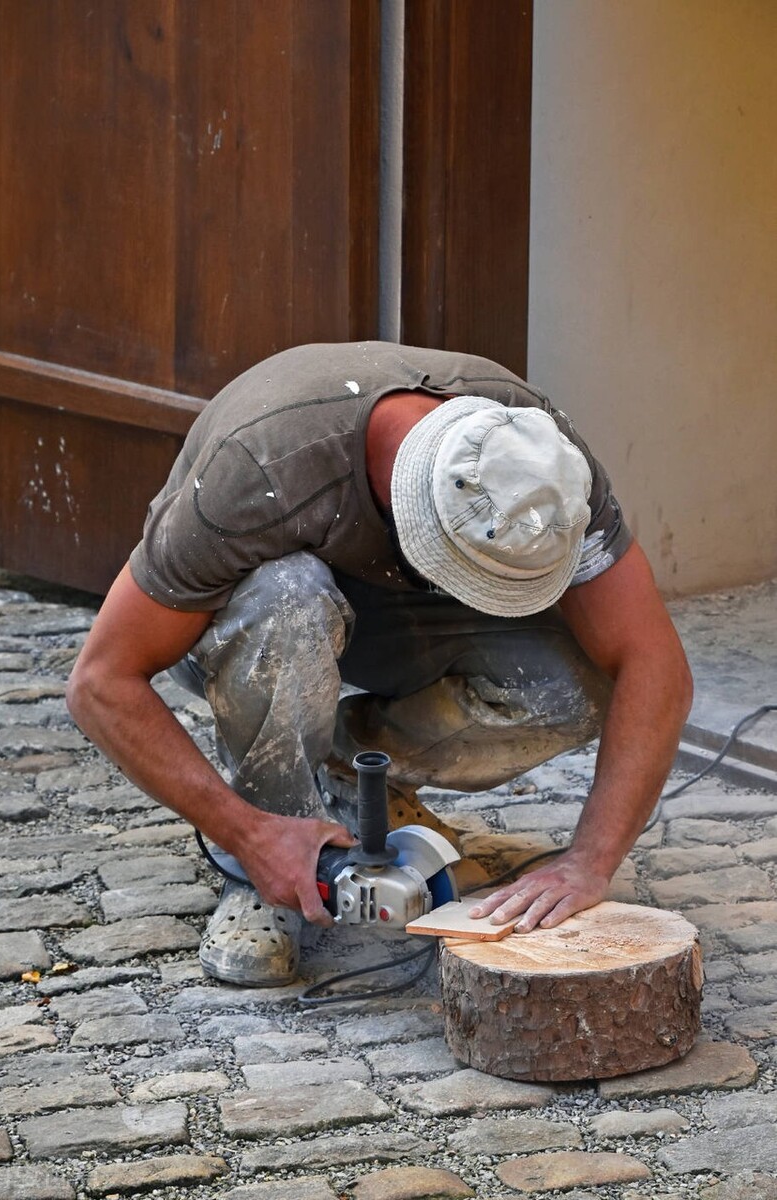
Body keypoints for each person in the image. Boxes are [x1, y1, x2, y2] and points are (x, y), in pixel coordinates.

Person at [67, 341, 692, 987]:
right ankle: (269, 847)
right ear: (411, 509)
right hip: (248, 625)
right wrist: (247, 832)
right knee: (290, 594)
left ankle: (352, 774)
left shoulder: (535, 458)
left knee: (568, 692)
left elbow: (650, 660)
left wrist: (589, 860)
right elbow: (101, 682)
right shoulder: (257, 468)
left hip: (393, 600)